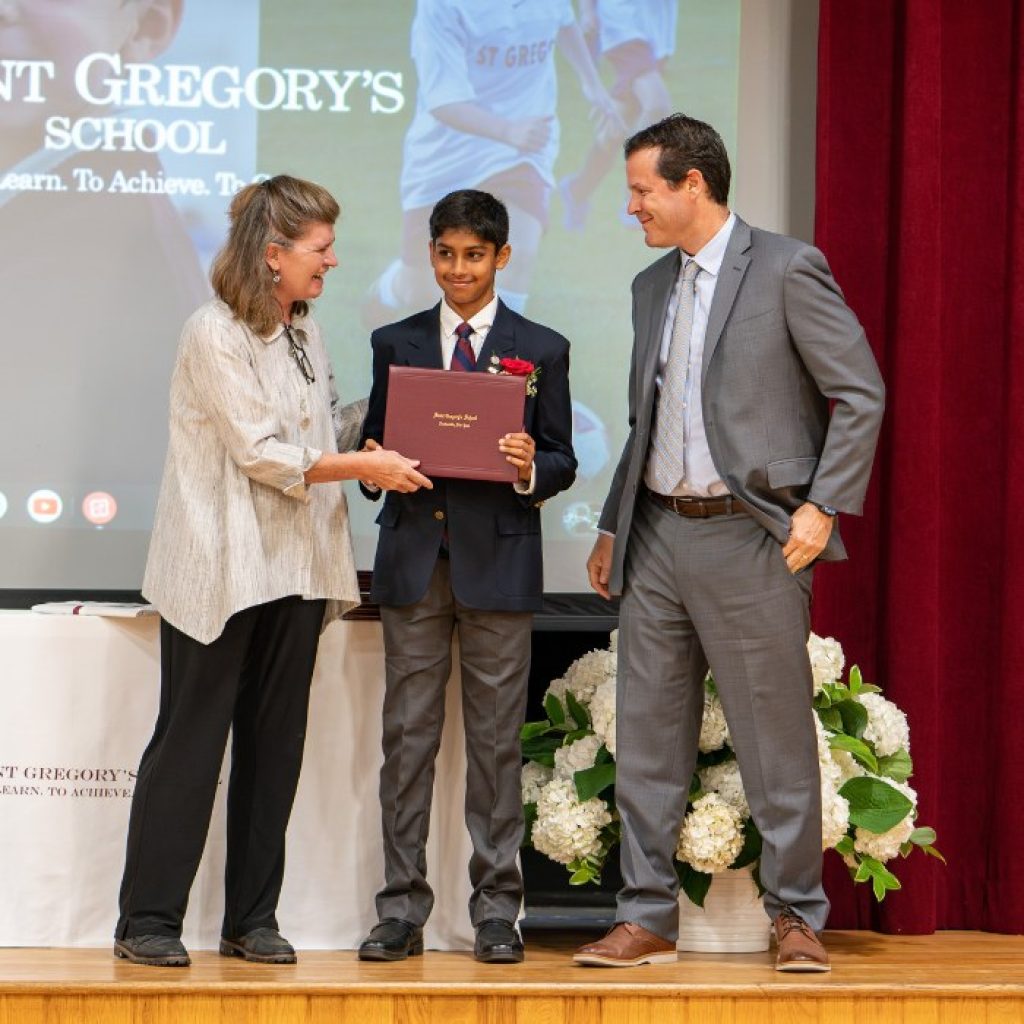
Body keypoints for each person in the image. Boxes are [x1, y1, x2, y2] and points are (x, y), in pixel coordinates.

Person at [575, 114, 885, 971]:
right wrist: (611, 523)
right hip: (657, 536)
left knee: (773, 739)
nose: (631, 206)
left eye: (642, 190)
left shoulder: (787, 267)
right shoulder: (650, 286)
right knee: (646, 739)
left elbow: (859, 392)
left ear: (692, 185)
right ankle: (645, 918)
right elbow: (645, 424)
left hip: (754, 538)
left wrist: (823, 506)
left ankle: (795, 917)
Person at [113, 175, 430, 968]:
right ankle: (146, 921)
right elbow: (260, 452)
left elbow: (318, 427)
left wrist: (405, 412)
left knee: (274, 744)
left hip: (297, 568)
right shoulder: (211, 332)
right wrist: (360, 459)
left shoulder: (304, 331)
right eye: (320, 249)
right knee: (190, 742)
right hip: (220, 569)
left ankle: (251, 918)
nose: (332, 262)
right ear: (273, 254)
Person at [357, 189, 576, 964]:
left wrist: (528, 469)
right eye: (445, 253)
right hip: (414, 566)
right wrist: (374, 471)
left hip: (499, 569)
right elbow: (374, 451)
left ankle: (495, 913)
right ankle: (399, 911)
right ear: (431, 254)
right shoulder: (396, 341)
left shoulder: (539, 347)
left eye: (474, 255)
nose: (458, 269)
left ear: (502, 257)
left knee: (494, 748)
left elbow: (561, 460)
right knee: (407, 743)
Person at [360, 0, 622, 326]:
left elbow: (563, 22)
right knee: (422, 291)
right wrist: (509, 130)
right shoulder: (442, 7)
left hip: (524, 150)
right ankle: (392, 287)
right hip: (447, 152)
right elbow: (443, 103)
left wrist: (593, 86)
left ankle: (493, 366)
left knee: (517, 254)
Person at [559, 0, 677, 231]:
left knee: (618, 123)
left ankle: (577, 190)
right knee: (656, 105)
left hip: (654, 24)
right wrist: (587, 10)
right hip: (622, 22)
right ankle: (635, 198)